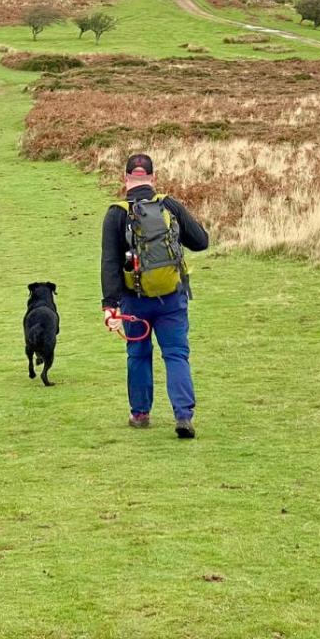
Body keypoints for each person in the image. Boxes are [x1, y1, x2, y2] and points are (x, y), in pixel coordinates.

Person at [101, 153, 209, 438]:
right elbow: (201, 241)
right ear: (152, 177)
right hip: (172, 298)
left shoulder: (116, 213)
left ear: (126, 178)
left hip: (134, 300)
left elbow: (110, 262)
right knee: (176, 355)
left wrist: (110, 306)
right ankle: (183, 416)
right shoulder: (168, 205)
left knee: (138, 354)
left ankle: (140, 414)